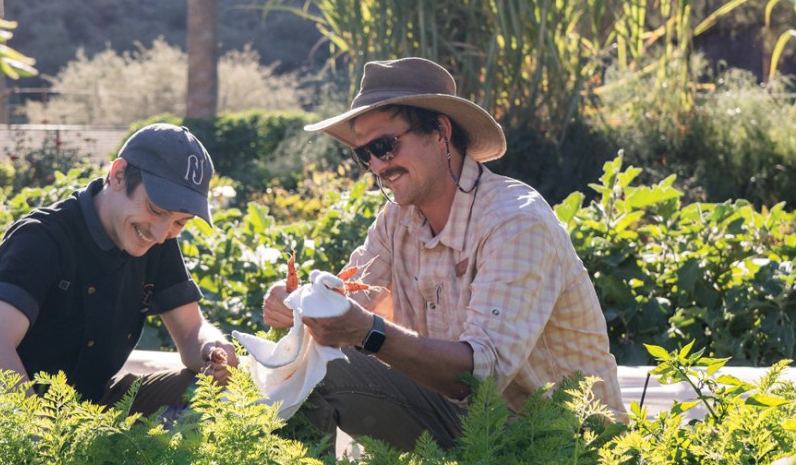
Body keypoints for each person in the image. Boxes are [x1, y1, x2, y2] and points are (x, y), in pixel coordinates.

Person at [263, 58, 625, 450]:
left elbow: (478, 381)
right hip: (472, 430)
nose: (377, 167)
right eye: (363, 155)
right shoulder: (396, 220)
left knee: (326, 374)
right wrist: (299, 307)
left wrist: (368, 331)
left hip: (557, 444)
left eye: (384, 146)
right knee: (309, 363)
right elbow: (348, 299)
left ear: (440, 132)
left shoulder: (515, 222)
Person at [0, 123, 238, 416]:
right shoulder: (42, 238)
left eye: (180, 222)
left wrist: (211, 349)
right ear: (118, 175)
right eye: (156, 210)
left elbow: (192, 329)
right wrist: (43, 440)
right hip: (1, 417)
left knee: (213, 390)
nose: (160, 233)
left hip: (90, 411)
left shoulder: (157, 238)